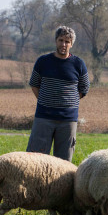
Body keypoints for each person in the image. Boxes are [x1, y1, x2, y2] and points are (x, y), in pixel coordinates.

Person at [26, 26, 90, 162]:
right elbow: (34, 84)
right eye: (61, 40)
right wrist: (46, 100)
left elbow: (84, 88)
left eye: (67, 41)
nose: (63, 44)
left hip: (68, 120)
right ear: (56, 41)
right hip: (44, 117)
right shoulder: (43, 61)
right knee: (35, 159)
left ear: (71, 44)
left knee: (63, 162)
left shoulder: (78, 64)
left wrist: (68, 103)